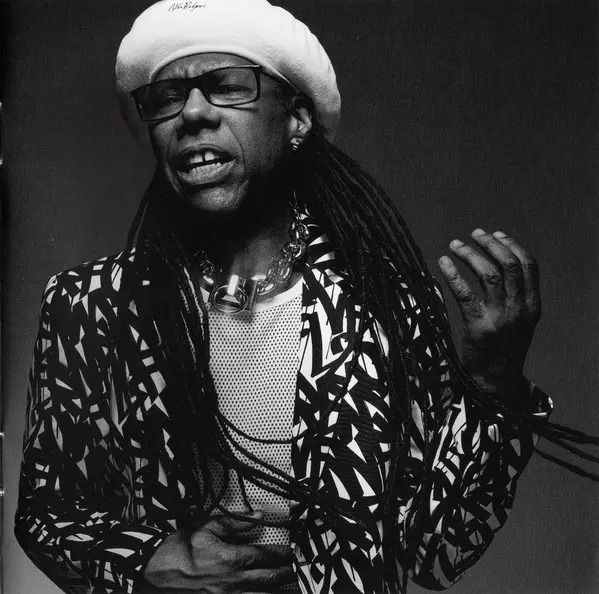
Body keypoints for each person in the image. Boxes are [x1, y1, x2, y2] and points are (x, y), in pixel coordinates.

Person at [13, 1, 598, 593]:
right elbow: (45, 514)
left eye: (227, 86)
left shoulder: (382, 305)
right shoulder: (91, 308)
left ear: (295, 119)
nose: (191, 112)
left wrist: (494, 380)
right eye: (166, 97)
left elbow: (434, 551)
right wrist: (144, 562)